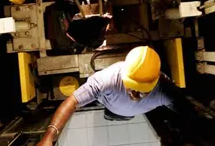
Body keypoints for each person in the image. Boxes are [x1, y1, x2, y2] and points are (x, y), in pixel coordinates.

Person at [36, 46, 175, 146]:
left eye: (142, 91)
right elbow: (73, 101)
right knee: (112, 114)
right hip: (110, 105)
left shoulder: (165, 89)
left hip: (130, 111)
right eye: (131, 87)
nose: (134, 94)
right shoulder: (106, 79)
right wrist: (49, 137)